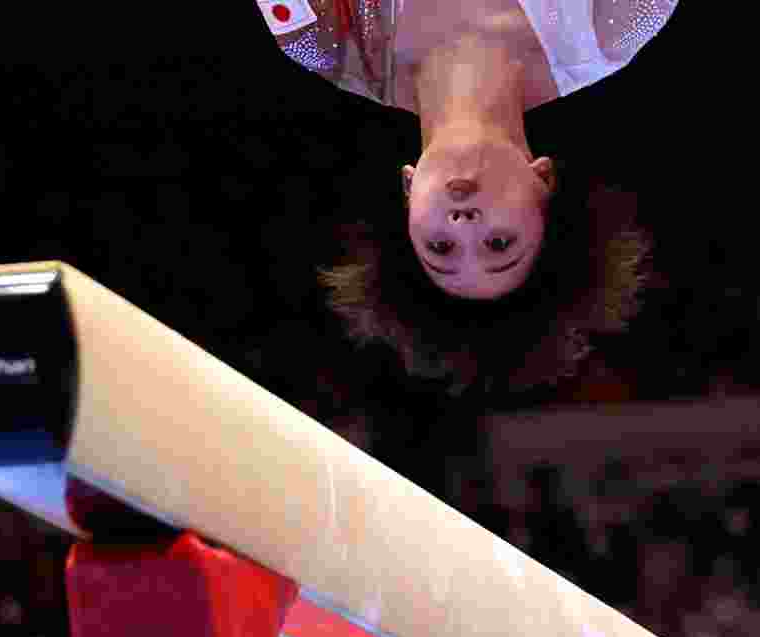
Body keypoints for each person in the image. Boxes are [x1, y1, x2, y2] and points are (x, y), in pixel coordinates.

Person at [257, 0, 675, 395]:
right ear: (544, 181)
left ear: (408, 190)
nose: (465, 223)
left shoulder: (325, 41)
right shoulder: (613, 21)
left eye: (440, 247)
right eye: (499, 243)